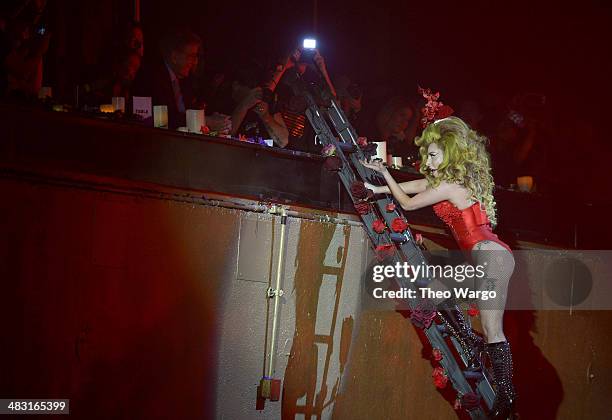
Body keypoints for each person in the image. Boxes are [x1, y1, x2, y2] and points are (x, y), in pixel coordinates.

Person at [362, 116, 516, 419]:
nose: (428, 162)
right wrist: (378, 187)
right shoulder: (448, 180)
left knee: (492, 330)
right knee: (438, 291)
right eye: (427, 156)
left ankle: (507, 396)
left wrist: (385, 177)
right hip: (488, 254)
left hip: (491, 256)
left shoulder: (450, 184)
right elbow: (417, 184)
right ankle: (471, 342)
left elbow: (406, 202)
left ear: (450, 152)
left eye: (433, 155)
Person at [135, 29, 230, 131]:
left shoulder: (184, 82)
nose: (195, 62)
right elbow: (154, 119)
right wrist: (204, 120)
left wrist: (211, 116)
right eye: (192, 56)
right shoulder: (150, 79)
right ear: (174, 57)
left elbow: (188, 112)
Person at [373, 96, 421, 164]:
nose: (403, 122)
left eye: (407, 120)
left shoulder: (401, 144)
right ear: (391, 111)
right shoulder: (372, 134)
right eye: (402, 115)